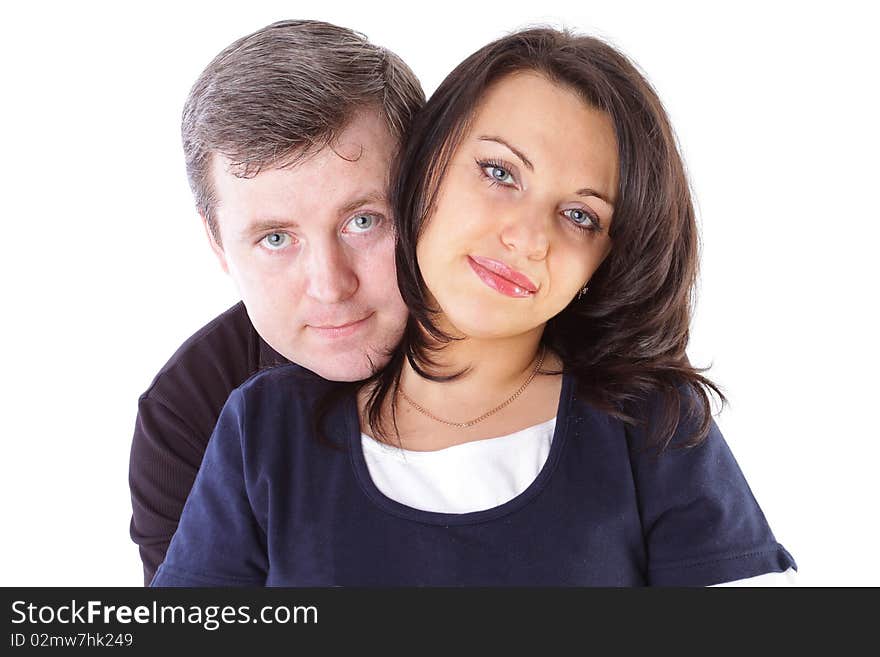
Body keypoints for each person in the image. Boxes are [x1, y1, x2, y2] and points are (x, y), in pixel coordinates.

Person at [151, 27, 796, 586]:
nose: (330, 286)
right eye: (499, 174)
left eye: (363, 221)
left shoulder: (642, 420)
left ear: (411, 179)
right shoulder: (231, 419)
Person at [128, 19, 424, 585]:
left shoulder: (542, 344)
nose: (331, 286)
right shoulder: (186, 414)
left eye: (363, 221)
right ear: (217, 243)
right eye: (276, 239)